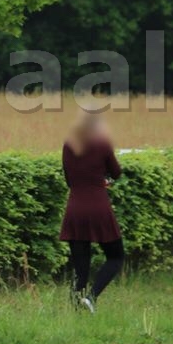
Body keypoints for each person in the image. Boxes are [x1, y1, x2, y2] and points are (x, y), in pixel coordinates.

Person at [59, 112, 123, 313]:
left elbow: (69, 179)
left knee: (80, 268)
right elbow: (116, 173)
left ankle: (75, 311)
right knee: (116, 256)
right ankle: (91, 297)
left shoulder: (68, 145)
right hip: (99, 209)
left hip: (75, 209)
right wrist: (102, 178)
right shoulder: (102, 144)